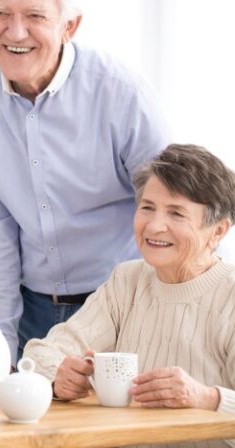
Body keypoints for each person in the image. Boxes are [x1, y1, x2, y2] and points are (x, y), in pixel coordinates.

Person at [0, 0, 170, 363]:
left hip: (125, 305)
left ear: (70, 26)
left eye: (35, 16)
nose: (15, 33)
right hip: (33, 309)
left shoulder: (121, 93)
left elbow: (174, 209)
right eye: (1, 14)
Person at [24, 144, 235, 431]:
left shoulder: (229, 293)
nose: (154, 226)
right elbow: (39, 355)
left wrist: (207, 398)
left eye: (176, 213)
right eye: (147, 207)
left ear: (218, 230)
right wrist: (58, 380)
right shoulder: (128, 281)